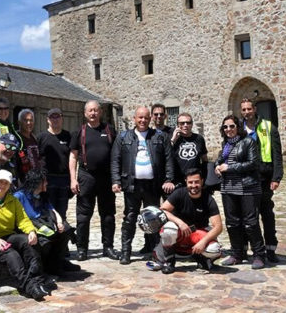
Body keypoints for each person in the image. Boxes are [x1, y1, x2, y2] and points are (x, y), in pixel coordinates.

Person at [0, 169, 50, 300]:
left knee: (28, 242)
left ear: (10, 185)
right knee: (12, 255)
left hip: (9, 235)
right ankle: (31, 287)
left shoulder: (13, 200)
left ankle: (37, 280)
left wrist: (31, 231)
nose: (2, 185)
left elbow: (22, 219)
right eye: (0, 181)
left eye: (6, 183)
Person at [111, 106, 169, 264]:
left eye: (145, 118)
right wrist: (116, 181)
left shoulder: (159, 136)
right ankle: (126, 252)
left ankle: (155, 251)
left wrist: (168, 179)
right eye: (140, 118)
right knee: (130, 218)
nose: (143, 120)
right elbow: (115, 160)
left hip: (152, 185)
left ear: (150, 119)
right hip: (132, 185)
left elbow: (168, 159)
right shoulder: (123, 137)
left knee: (154, 219)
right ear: (134, 119)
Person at [214, 115, 266, 269]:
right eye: (225, 127)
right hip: (228, 187)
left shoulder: (248, 142)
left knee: (251, 223)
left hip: (247, 187)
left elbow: (253, 163)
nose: (228, 129)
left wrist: (230, 168)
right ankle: (238, 253)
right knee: (232, 223)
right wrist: (218, 165)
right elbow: (222, 159)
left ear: (238, 127)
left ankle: (259, 255)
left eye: (231, 126)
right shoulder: (226, 144)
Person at [69, 100, 118, 261]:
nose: (93, 113)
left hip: (106, 178)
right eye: (90, 111)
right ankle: (82, 248)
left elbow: (117, 154)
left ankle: (108, 247)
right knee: (83, 216)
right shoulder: (79, 132)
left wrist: (116, 179)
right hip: (86, 176)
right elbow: (73, 156)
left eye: (96, 110)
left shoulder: (109, 130)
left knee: (108, 215)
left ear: (100, 112)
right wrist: (73, 179)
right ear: (85, 113)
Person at [154, 168, 223, 274]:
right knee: (168, 229)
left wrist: (203, 242)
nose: (193, 185)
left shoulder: (208, 199)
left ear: (202, 181)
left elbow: (218, 227)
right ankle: (169, 261)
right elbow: (162, 210)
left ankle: (201, 258)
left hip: (197, 234)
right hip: (179, 233)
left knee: (215, 249)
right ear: (186, 181)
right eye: (190, 182)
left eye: (196, 182)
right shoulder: (179, 193)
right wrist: (180, 222)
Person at [14, 169, 80, 275]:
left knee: (65, 230)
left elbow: (52, 209)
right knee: (45, 240)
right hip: (30, 224)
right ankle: (46, 266)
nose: (46, 184)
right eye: (44, 182)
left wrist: (59, 222)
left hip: (43, 221)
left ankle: (58, 262)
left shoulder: (42, 195)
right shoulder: (19, 196)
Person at [240, 98, 283, 263]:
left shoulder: (268, 127)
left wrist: (276, 177)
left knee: (266, 214)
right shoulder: (238, 128)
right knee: (247, 215)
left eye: (249, 109)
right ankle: (246, 248)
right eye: (243, 110)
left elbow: (276, 154)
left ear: (255, 109)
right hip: (245, 177)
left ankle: (270, 248)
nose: (246, 112)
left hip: (264, 177)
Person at [36, 108, 72, 220]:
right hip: (48, 180)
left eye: (58, 117)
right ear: (47, 120)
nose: (55, 119)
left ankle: (61, 236)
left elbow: (73, 157)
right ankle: (50, 236)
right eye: (52, 117)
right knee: (48, 212)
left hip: (64, 179)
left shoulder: (68, 136)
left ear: (62, 119)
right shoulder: (41, 137)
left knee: (62, 212)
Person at [165, 112, 208, 191]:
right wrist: (173, 140)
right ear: (177, 125)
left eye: (188, 123)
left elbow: (205, 160)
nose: (185, 125)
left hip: (194, 181)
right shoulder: (171, 138)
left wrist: (204, 179)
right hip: (178, 182)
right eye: (182, 123)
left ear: (191, 124)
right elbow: (165, 156)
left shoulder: (199, 138)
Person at [16, 108, 44, 184]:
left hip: (35, 179)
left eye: (31, 120)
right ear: (19, 122)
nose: (29, 123)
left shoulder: (34, 138)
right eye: (25, 120)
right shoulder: (16, 138)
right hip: (22, 180)